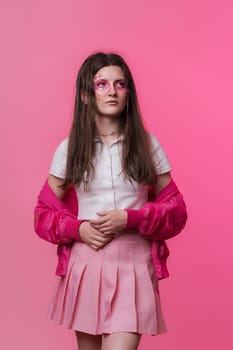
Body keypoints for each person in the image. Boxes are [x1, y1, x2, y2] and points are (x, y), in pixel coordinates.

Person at [34, 52, 187, 350]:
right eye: (102, 84)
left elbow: (177, 211)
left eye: (120, 84)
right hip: (86, 263)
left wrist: (131, 218)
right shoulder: (69, 149)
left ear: (128, 92)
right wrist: (78, 230)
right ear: (85, 95)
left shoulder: (146, 144)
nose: (113, 92)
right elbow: (42, 214)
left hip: (134, 265)